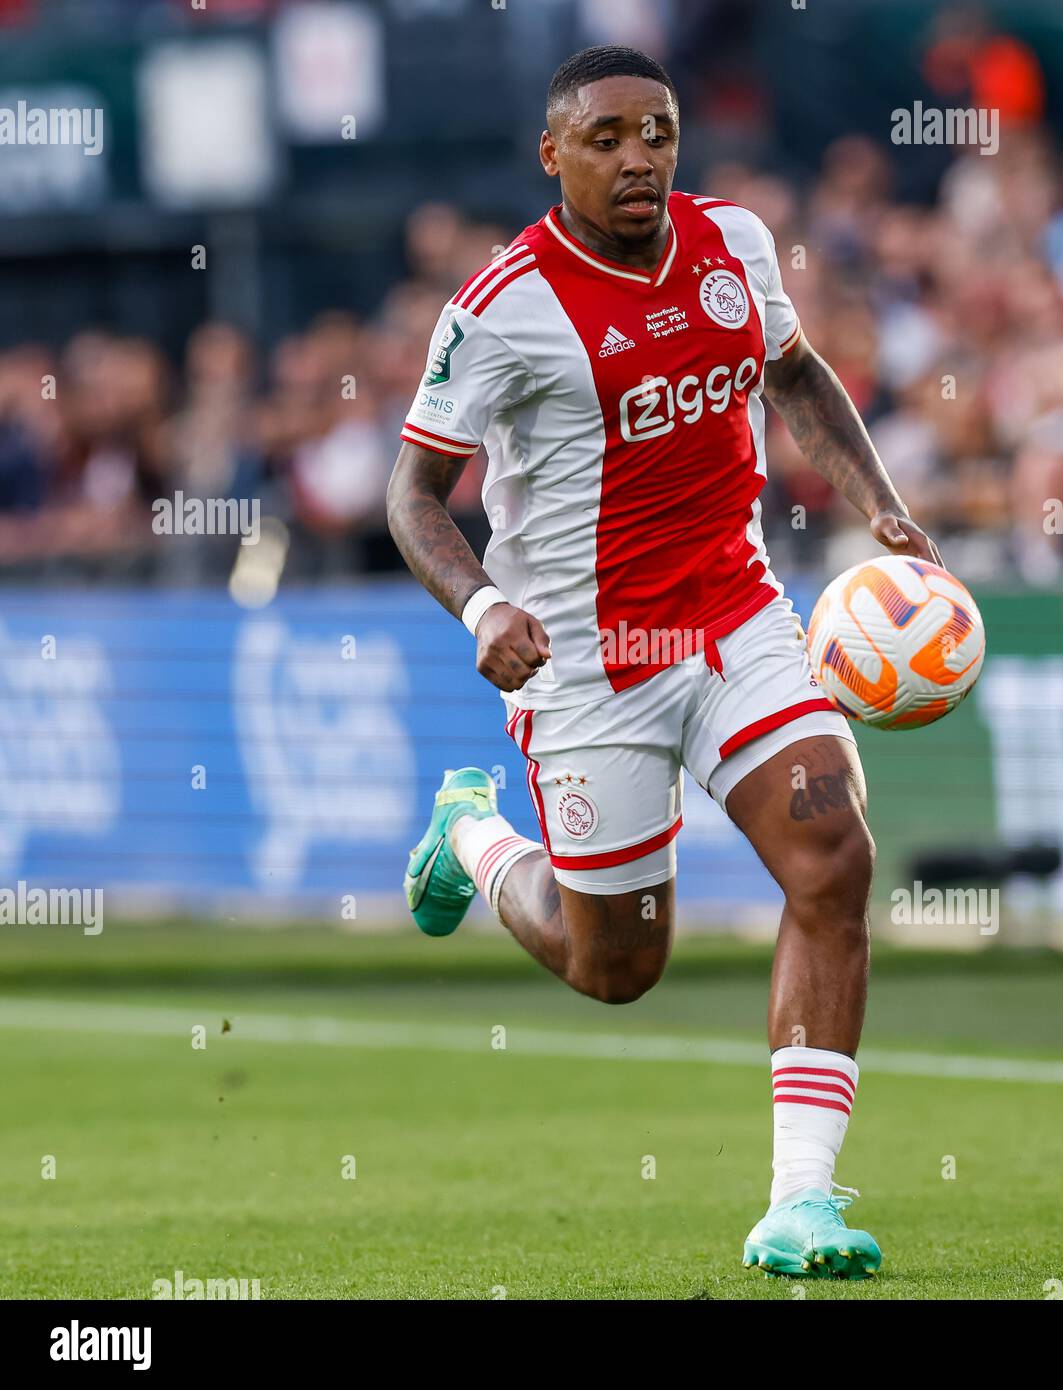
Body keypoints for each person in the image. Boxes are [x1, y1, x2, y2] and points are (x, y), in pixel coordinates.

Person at [386, 44, 941, 1280]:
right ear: (553, 155)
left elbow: (795, 379)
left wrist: (882, 505)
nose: (639, 156)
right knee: (617, 967)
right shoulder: (501, 306)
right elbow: (414, 496)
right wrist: (481, 608)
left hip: (736, 618)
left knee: (831, 852)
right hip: (586, 665)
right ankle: (470, 835)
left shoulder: (736, 243)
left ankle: (801, 1201)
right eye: (607, 137)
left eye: (659, 131)